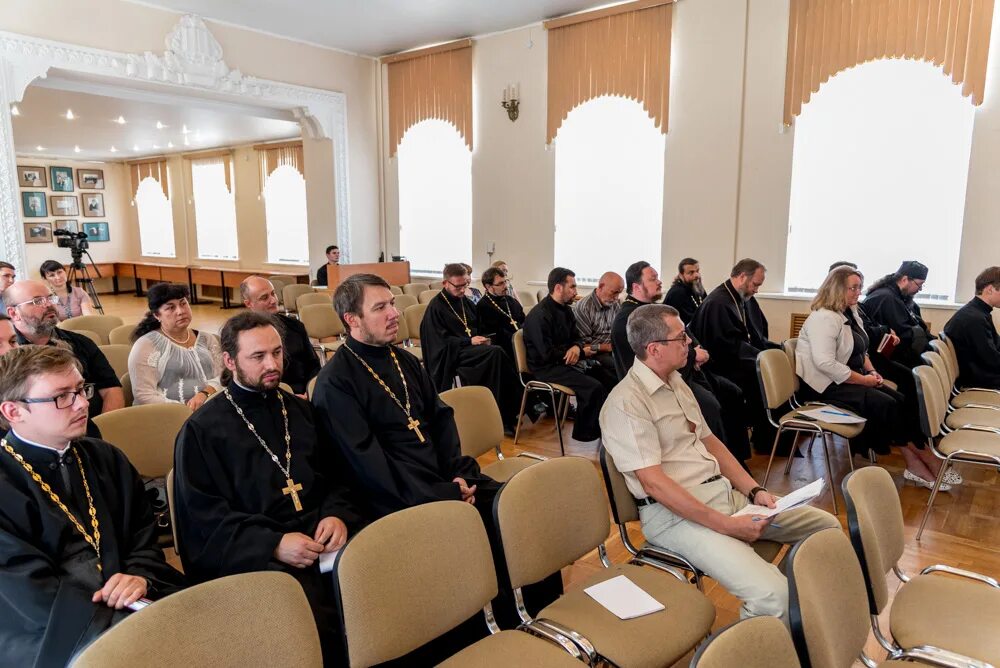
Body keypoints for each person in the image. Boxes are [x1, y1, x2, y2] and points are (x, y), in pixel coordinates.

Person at [312, 274, 560, 640]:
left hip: (446, 481)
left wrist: (461, 475)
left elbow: (442, 420)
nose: (393, 313)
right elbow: (367, 464)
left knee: (520, 510)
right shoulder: (335, 383)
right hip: (397, 497)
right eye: (380, 307)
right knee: (476, 530)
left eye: (392, 303)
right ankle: (488, 632)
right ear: (352, 320)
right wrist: (441, 493)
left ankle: (540, 618)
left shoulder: (405, 361)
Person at [600, 304, 840, 620]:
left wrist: (755, 491)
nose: (689, 342)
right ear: (654, 349)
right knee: (774, 597)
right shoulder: (626, 403)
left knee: (826, 528)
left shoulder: (675, 381)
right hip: (676, 517)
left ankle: (797, 612)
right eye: (681, 337)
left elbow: (711, 443)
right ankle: (756, 639)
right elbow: (654, 484)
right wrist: (728, 526)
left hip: (724, 496)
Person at [173, 311, 362, 664]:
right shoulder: (202, 431)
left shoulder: (301, 412)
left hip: (322, 539)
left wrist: (337, 515)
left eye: (277, 353)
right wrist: (273, 544)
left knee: (374, 574)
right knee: (313, 613)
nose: (272, 364)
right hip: (259, 554)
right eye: (258, 357)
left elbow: (338, 476)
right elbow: (204, 521)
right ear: (229, 361)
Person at [0, 346, 185, 666]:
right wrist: (117, 619)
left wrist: (140, 577)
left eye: (80, 390)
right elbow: (26, 593)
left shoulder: (106, 458)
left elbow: (143, 540)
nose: (84, 403)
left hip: (134, 600)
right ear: (14, 411)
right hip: (48, 630)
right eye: (62, 396)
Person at [795, 267, 952, 487]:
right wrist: (864, 380)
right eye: (853, 288)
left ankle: (917, 463)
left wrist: (871, 371)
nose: (858, 292)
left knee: (900, 400)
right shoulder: (823, 318)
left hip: (848, 377)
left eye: (859, 287)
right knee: (887, 405)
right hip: (824, 386)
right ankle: (924, 460)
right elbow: (825, 364)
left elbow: (862, 350)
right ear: (837, 288)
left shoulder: (849, 311)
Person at [613, 262, 750, 462]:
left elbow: (686, 334)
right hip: (662, 383)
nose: (659, 282)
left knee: (732, 392)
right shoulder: (628, 319)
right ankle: (714, 464)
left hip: (682, 372)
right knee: (710, 406)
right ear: (636, 287)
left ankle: (736, 460)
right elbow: (650, 360)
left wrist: (694, 352)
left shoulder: (655, 310)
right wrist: (693, 355)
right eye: (652, 279)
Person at [691, 259, 782, 453]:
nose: (756, 290)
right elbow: (726, 347)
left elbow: (754, 335)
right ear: (742, 277)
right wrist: (761, 357)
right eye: (755, 284)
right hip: (719, 366)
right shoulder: (718, 303)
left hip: (736, 360)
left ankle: (773, 435)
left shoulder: (742, 297)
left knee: (774, 370)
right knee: (762, 378)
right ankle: (765, 439)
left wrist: (771, 351)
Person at [419, 263, 522, 430]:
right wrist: (468, 341)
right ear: (445, 283)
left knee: (497, 353)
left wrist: (484, 338)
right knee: (495, 355)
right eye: (458, 286)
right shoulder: (436, 307)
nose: (462, 290)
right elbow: (438, 342)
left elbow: (478, 327)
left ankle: (506, 412)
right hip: (452, 355)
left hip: (472, 350)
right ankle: (505, 413)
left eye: (465, 285)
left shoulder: (465, 302)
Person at [5, 280, 124, 420]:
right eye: (38, 301)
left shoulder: (81, 343)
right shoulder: (8, 354)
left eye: (51, 298)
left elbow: (111, 389)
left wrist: (101, 430)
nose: (49, 304)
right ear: (13, 313)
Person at [523, 267, 615, 443]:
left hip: (567, 361)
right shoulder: (539, 316)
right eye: (572, 287)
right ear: (558, 288)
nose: (576, 291)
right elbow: (546, 354)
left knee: (610, 378)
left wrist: (576, 347)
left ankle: (610, 429)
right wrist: (575, 350)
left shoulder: (566, 310)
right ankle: (586, 435)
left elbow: (578, 338)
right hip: (546, 367)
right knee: (593, 388)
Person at [128, 283, 222, 409]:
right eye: (171, 308)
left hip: (210, 408)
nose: (180, 311)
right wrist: (183, 410)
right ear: (157, 315)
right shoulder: (146, 345)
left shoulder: (206, 338)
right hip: (169, 415)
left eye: (183, 303)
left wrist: (205, 393)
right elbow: (143, 395)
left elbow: (224, 376)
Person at [240, 276, 320, 395]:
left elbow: (313, 365)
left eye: (273, 294)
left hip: (304, 395)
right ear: (249, 304)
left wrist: (309, 392)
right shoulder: (242, 335)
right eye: (264, 297)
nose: (273, 300)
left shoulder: (295, 326)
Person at [861, 261, 932, 369]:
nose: (920, 289)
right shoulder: (885, 298)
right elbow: (901, 332)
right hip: (884, 356)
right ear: (904, 279)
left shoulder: (901, 296)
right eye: (919, 284)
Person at [943, 266, 1000, 390]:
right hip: (977, 379)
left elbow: (996, 343)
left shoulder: (977, 312)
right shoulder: (975, 319)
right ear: (990, 289)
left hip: (980, 372)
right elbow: (992, 360)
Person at [573, 271, 623, 376]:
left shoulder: (615, 304)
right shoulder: (584, 308)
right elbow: (582, 345)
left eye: (619, 293)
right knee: (621, 367)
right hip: (595, 354)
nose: (616, 297)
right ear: (600, 286)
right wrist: (605, 347)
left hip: (614, 348)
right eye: (614, 292)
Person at [476, 266, 525, 361]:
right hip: (503, 346)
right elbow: (489, 335)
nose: (506, 286)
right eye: (500, 284)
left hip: (522, 341)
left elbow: (524, 320)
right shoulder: (482, 306)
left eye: (505, 281)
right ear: (488, 286)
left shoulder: (511, 301)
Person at [664, 257, 707, 323]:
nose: (696, 275)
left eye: (697, 271)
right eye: (691, 272)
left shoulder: (698, 288)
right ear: (681, 275)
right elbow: (687, 320)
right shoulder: (677, 293)